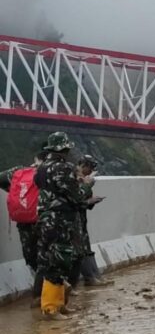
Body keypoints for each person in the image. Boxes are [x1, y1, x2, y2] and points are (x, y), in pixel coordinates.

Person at [34, 132, 99, 320]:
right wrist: (87, 185)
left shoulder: (42, 168)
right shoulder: (64, 168)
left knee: (52, 259)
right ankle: (50, 308)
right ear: (64, 149)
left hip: (45, 218)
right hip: (60, 220)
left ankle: (60, 304)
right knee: (59, 260)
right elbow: (76, 195)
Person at [0, 149, 48, 307]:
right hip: (44, 221)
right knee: (45, 258)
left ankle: (40, 294)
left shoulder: (18, 171)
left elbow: (1, 178)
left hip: (24, 221)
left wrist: (13, 190)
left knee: (31, 257)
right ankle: (41, 295)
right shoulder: (50, 172)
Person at [68, 155, 112, 289]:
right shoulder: (72, 177)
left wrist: (91, 201)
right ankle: (89, 278)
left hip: (81, 218)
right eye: (90, 168)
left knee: (86, 247)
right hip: (73, 219)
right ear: (84, 165)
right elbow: (75, 199)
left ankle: (95, 276)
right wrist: (87, 190)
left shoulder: (84, 179)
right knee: (80, 249)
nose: (91, 171)